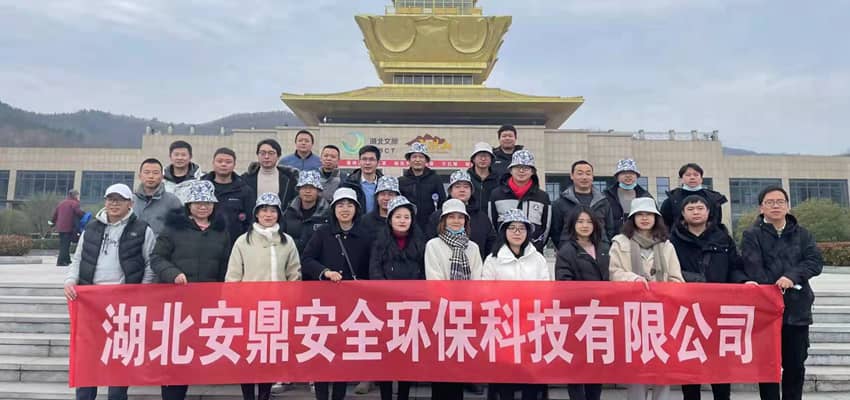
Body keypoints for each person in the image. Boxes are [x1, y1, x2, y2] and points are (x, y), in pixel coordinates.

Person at [64, 183, 156, 400]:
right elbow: (78, 258)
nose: (114, 204)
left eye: (120, 200)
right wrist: (70, 280)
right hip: (91, 302)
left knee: (120, 356)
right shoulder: (91, 228)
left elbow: (150, 264)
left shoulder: (142, 229)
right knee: (88, 356)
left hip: (124, 304)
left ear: (130, 203)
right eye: (110, 199)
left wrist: (142, 292)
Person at [740, 186, 823, 400]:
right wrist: (774, 286)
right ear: (761, 208)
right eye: (770, 202)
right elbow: (752, 266)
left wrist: (792, 276)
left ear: (787, 206)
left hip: (797, 310)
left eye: (780, 201)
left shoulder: (803, 234)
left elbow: (814, 262)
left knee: (795, 365)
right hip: (766, 310)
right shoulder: (751, 235)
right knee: (767, 366)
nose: (775, 206)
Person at [151, 180, 232, 400]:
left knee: (202, 351)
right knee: (177, 354)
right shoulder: (174, 228)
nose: (203, 207)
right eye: (198, 203)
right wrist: (172, 274)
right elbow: (157, 258)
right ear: (189, 205)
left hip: (208, 304)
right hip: (177, 303)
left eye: (207, 203)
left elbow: (226, 266)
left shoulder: (221, 232)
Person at [226, 192, 301, 400]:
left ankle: (264, 395)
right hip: (249, 309)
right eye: (264, 210)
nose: (268, 215)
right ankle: (248, 396)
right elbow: (233, 276)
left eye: (273, 211)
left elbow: (294, 274)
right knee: (248, 355)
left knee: (269, 356)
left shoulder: (287, 242)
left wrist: (291, 302)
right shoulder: (243, 241)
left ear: (279, 214)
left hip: (276, 310)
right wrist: (234, 307)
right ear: (256, 214)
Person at [301, 187, 372, 400]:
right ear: (333, 209)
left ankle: (339, 396)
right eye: (340, 205)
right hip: (325, 302)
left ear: (356, 209)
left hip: (351, 303)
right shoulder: (323, 233)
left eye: (349, 205)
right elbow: (307, 260)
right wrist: (325, 272)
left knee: (342, 352)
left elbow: (369, 268)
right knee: (323, 349)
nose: (345, 209)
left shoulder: (365, 236)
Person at [609, 197, 683, 400]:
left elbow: (677, 279)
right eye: (640, 214)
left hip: (662, 314)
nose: (644, 218)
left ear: (656, 218)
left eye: (649, 214)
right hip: (632, 314)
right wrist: (633, 279)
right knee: (636, 365)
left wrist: (662, 290)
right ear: (632, 218)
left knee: (663, 363)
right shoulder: (620, 243)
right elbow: (614, 273)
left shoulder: (666, 245)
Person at [670, 195, 742, 400]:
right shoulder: (672, 240)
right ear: (682, 213)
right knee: (689, 363)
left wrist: (744, 283)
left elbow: (735, 267)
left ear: (709, 212)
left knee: (720, 363)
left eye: (700, 208)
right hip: (686, 310)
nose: (696, 212)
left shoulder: (722, 238)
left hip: (718, 310)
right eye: (690, 208)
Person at [482, 209, 550, 400]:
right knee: (505, 375)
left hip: (531, 324)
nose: (517, 232)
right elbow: (485, 291)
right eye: (512, 228)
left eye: (522, 228)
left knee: (530, 374)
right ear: (504, 231)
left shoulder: (538, 259)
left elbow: (545, 289)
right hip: (503, 325)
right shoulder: (493, 259)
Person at [425, 199, 482, 400]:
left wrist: (466, 305)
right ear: (443, 220)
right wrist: (451, 304)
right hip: (441, 313)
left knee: (459, 364)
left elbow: (477, 278)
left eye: (460, 217)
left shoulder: (472, 248)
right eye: (451, 217)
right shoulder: (433, 245)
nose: (456, 221)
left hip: (465, 314)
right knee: (441, 363)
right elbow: (434, 279)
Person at [369, 196, 425, 400]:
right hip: (386, 307)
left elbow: (424, 272)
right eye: (398, 216)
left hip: (411, 307)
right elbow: (374, 271)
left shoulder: (420, 242)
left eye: (406, 217)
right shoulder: (380, 242)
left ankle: (403, 395)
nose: (402, 220)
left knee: (406, 356)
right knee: (386, 356)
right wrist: (387, 292)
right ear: (390, 219)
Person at [554, 206, 610, 400]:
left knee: (597, 364)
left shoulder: (604, 249)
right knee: (577, 365)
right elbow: (564, 283)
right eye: (580, 221)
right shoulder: (566, 251)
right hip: (577, 317)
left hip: (602, 316)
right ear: (572, 225)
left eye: (588, 221)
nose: (585, 225)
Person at [488, 149, 551, 252]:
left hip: (533, 252)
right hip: (504, 252)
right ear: (510, 170)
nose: (521, 171)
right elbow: (492, 224)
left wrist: (536, 246)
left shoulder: (542, 197)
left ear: (532, 172)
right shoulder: (497, 195)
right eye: (517, 167)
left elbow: (546, 228)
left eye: (526, 168)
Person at [426, 170, 495, 261]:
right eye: (457, 186)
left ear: (471, 191)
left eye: (466, 187)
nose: (462, 190)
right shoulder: (438, 216)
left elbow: (491, 245)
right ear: (450, 191)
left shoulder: (482, 218)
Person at [550, 160, 614, 249]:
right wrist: (565, 248)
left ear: (592, 177)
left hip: (600, 251)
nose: (584, 177)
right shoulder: (560, 203)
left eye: (588, 174)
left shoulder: (603, 202)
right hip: (570, 252)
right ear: (572, 176)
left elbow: (610, 229)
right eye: (580, 174)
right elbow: (555, 232)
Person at [201, 147, 256, 246]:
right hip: (205, 242)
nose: (223, 164)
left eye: (228, 162)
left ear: (234, 165)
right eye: (219, 161)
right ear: (213, 163)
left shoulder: (244, 190)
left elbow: (251, 221)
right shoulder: (201, 187)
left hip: (235, 244)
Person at [660, 163, 728, 229]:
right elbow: (665, 223)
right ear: (681, 179)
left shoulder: (713, 198)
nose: (692, 177)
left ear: (701, 179)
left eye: (696, 175)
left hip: (709, 235)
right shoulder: (672, 199)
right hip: (677, 235)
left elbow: (717, 222)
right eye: (688, 175)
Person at [398, 142, 446, 232]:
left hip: (430, 226)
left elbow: (442, 203)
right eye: (414, 157)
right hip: (408, 226)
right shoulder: (401, 181)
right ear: (409, 160)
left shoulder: (435, 179)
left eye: (421, 157)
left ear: (426, 160)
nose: (417, 160)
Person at [243, 138, 300, 209]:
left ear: (278, 156)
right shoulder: (246, 179)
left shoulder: (289, 179)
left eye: (271, 153)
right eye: (263, 153)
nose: (266, 157)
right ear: (257, 155)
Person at [282, 170, 330, 253]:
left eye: (312, 188)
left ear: (318, 191)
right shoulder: (288, 212)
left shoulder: (327, 213)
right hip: (293, 256)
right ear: (298, 190)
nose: (308, 191)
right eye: (304, 187)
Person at [132, 158, 183, 235]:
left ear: (162, 177)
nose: (151, 176)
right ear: (140, 176)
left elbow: (180, 228)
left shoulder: (172, 201)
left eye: (155, 173)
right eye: (147, 172)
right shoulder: (131, 200)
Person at [604, 159, 653, 238]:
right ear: (617, 176)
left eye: (632, 173)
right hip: (613, 240)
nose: (628, 176)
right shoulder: (606, 196)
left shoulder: (646, 196)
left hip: (640, 240)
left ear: (637, 176)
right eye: (624, 173)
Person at [341, 145, 383, 214]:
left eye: (371, 159)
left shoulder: (384, 184)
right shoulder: (348, 183)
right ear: (359, 161)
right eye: (364, 159)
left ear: (378, 162)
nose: (367, 163)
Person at [51, 189, 84, 266]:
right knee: (65, 245)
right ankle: (61, 261)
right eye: (77, 195)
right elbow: (78, 212)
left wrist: (52, 223)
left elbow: (55, 214)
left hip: (60, 227)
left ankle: (67, 260)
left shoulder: (61, 203)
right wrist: (85, 215)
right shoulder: (74, 203)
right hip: (68, 227)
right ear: (74, 195)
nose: (78, 197)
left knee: (64, 243)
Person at [468, 142, 499, 208]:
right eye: (480, 156)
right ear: (473, 159)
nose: (483, 159)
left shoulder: (498, 179)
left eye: (486, 156)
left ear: (491, 159)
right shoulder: (466, 177)